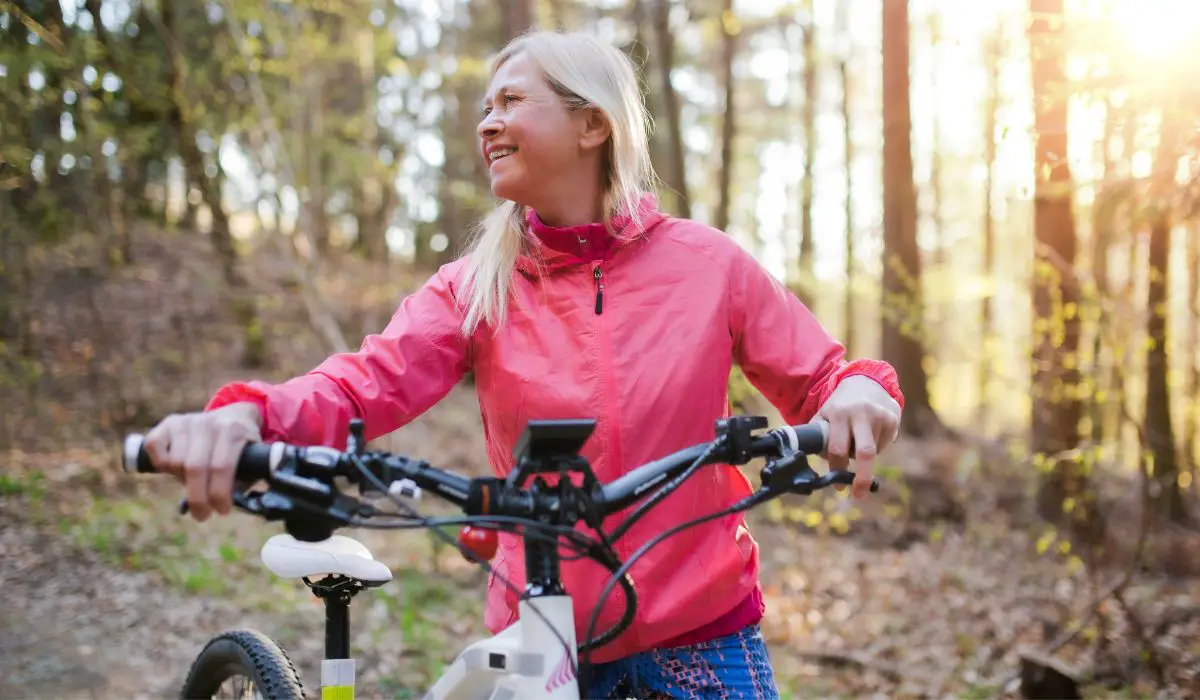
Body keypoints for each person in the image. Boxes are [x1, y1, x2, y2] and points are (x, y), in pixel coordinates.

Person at [144, 29, 904, 699]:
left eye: (510, 100)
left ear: (590, 125)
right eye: (485, 107)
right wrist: (248, 414)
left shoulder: (708, 265)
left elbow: (825, 376)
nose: (488, 121)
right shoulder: (478, 285)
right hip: (543, 630)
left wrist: (861, 392)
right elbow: (364, 382)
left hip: (704, 626)